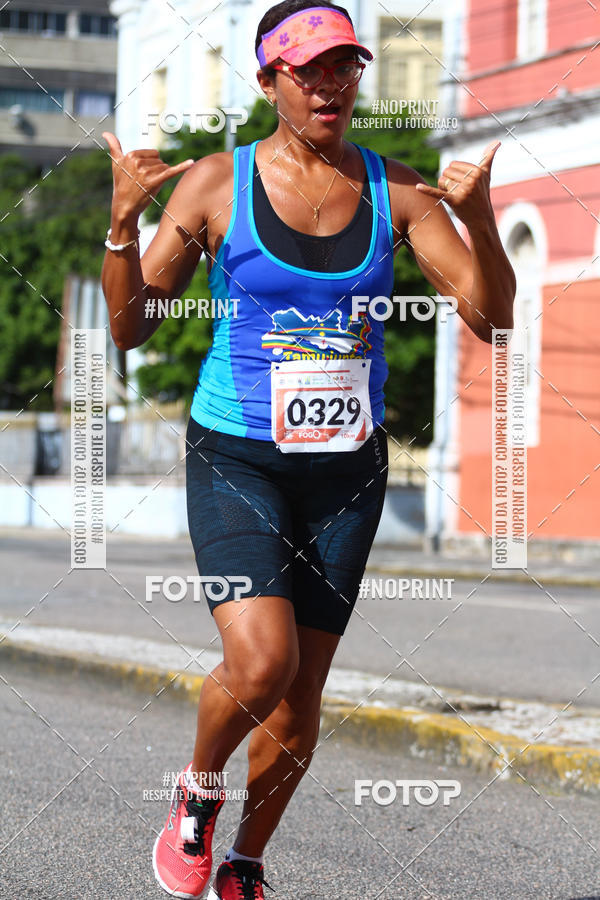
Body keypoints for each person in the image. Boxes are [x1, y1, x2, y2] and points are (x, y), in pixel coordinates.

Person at [102, 1, 516, 896]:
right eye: (310, 70)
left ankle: (246, 860)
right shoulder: (215, 184)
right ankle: (199, 790)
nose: (331, 85)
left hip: (346, 472)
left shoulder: (397, 190)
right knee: (263, 662)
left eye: (345, 68)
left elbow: (492, 318)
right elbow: (134, 327)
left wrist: (480, 220)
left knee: (300, 694)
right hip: (238, 456)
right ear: (269, 82)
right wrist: (121, 227)